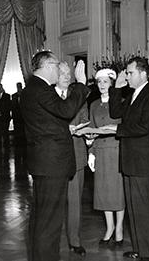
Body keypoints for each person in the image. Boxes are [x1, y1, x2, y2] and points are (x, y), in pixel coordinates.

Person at [20, 51, 89, 261]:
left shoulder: (32, 88)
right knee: (50, 222)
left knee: (42, 218)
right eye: (58, 66)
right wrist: (81, 84)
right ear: (48, 66)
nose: (60, 70)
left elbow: (49, 121)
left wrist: (60, 131)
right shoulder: (41, 89)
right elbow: (66, 110)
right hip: (52, 164)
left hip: (43, 162)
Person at [108, 56, 149, 261]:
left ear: (143, 74)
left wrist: (116, 130)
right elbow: (115, 112)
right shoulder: (133, 94)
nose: (127, 76)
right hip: (131, 160)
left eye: (130, 73)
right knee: (134, 208)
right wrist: (117, 88)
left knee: (146, 209)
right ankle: (140, 248)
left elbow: (144, 127)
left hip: (143, 161)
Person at [86, 68, 125, 248]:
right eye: (99, 82)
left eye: (105, 82)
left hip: (116, 151)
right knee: (104, 194)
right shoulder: (93, 105)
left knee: (118, 193)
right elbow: (92, 129)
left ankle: (119, 230)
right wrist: (91, 152)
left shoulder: (121, 103)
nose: (102, 85)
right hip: (100, 152)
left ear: (112, 84)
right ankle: (109, 228)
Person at [54, 62, 89, 256]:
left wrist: (87, 132)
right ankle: (52, 240)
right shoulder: (48, 97)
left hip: (77, 154)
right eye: (63, 73)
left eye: (69, 74)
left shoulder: (79, 97)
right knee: (53, 203)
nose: (67, 77)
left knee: (75, 202)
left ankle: (75, 241)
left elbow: (84, 120)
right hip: (55, 159)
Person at [11, 82, 26, 168]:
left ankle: (24, 149)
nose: (19, 88)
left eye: (20, 86)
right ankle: (18, 148)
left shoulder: (25, 95)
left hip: (24, 119)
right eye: (17, 86)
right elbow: (12, 107)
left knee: (24, 134)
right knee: (17, 134)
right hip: (16, 119)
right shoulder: (13, 96)